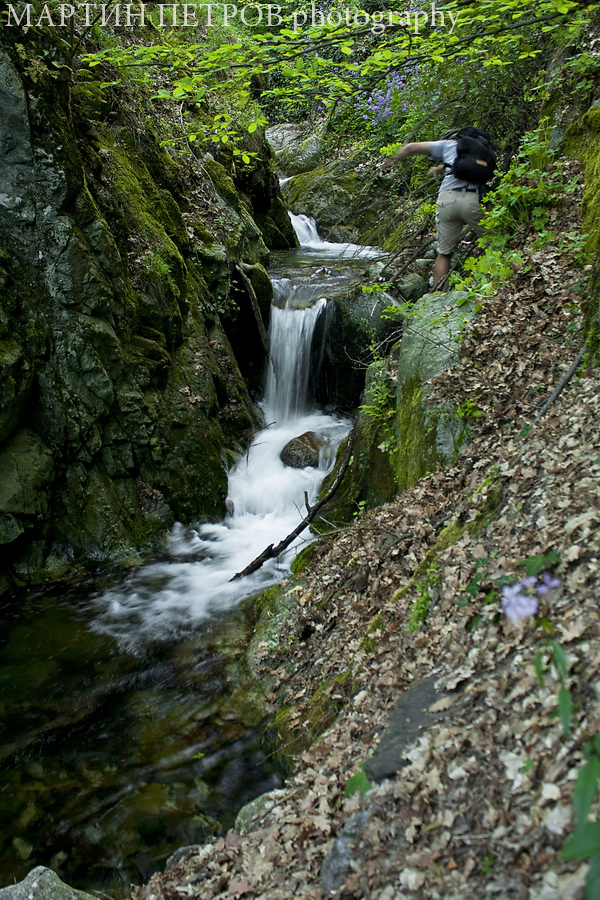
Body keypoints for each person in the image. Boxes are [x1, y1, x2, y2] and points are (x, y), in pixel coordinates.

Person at [384, 128, 493, 290]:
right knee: (493, 243)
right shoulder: (484, 151)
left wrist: (394, 159)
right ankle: (495, 285)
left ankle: (438, 296)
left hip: (447, 199)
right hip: (473, 199)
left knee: (444, 253)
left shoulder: (449, 145)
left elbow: (411, 148)